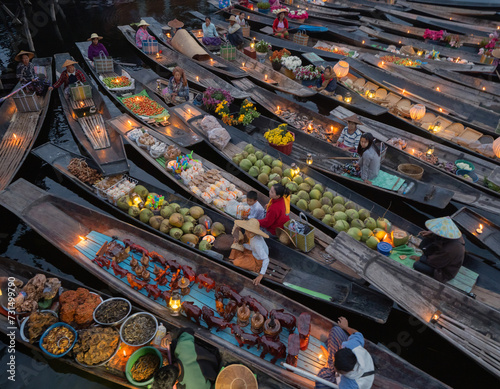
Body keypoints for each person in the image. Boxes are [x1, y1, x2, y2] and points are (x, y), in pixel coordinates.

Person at [316, 317, 375, 389]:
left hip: (347, 380)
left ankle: (329, 363)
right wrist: (346, 327)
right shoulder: (352, 346)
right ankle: (330, 358)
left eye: (335, 368)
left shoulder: (349, 385)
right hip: (346, 367)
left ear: (342, 372)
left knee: (320, 382)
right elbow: (357, 334)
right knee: (336, 330)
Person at [152, 327, 220, 389]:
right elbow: (188, 330)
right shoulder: (182, 347)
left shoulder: (192, 386)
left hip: (214, 371)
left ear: (175, 382)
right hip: (210, 358)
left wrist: (170, 335)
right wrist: (171, 335)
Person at [411, 217, 465, 283]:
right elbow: (442, 234)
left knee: (417, 265)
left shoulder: (449, 250)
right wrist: (431, 233)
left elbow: (433, 262)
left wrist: (420, 258)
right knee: (426, 240)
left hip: (442, 271)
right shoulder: (453, 234)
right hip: (440, 258)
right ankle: (425, 255)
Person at [230, 218, 270, 286]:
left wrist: (261, 275)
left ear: (251, 232)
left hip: (258, 261)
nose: (245, 232)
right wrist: (242, 245)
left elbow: (266, 259)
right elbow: (251, 247)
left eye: (247, 231)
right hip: (255, 253)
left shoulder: (257, 244)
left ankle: (255, 267)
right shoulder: (253, 237)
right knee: (238, 246)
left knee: (237, 262)